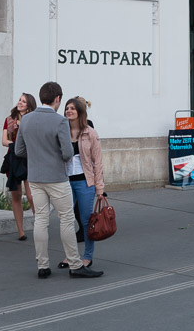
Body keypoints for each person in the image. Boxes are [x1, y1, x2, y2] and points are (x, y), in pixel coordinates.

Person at [15, 82, 102, 279]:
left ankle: (42, 265)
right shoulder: (59, 122)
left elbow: (19, 150)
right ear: (57, 99)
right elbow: (67, 153)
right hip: (57, 178)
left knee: (41, 220)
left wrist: (37, 156)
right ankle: (75, 264)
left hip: (35, 177)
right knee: (67, 219)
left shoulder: (26, 120)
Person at [58, 98, 104, 269]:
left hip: (85, 183)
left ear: (80, 111)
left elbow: (98, 162)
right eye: (66, 108)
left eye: (72, 108)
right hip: (65, 182)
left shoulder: (90, 133)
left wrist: (100, 190)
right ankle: (70, 256)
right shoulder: (61, 132)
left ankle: (87, 256)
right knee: (66, 221)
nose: (68, 111)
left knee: (86, 221)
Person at [2, 93, 37, 241]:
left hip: (29, 158)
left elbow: (35, 139)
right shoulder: (9, 120)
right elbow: (4, 141)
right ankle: (21, 231)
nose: (20, 103)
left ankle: (40, 225)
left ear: (29, 105)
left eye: (23, 101)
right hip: (14, 159)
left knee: (31, 195)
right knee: (16, 195)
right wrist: (15, 144)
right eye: (19, 100)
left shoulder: (33, 120)